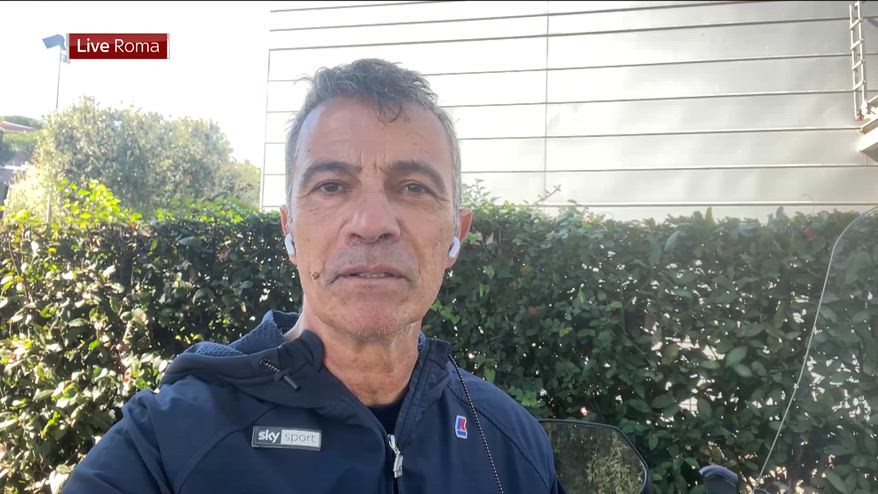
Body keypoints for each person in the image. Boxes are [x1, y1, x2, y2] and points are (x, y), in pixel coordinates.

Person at [62, 58, 563, 493]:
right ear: (290, 230)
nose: (372, 223)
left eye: (413, 187)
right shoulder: (166, 446)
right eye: (331, 186)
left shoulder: (512, 445)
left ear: (456, 232)